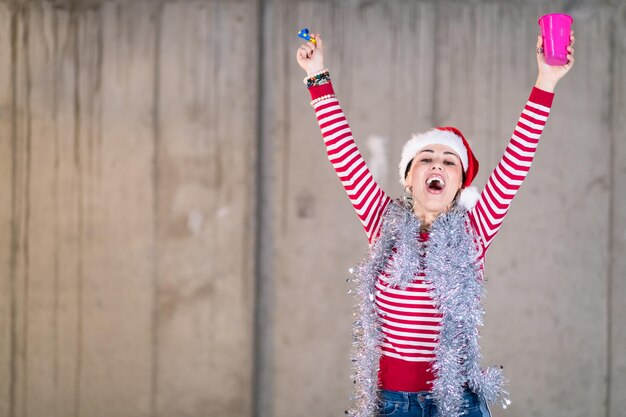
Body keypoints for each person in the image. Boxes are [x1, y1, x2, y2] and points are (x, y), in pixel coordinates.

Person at [296, 29, 574, 417]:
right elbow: (343, 154)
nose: (437, 165)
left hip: (457, 403)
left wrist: (546, 80)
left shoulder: (474, 232)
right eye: (426, 157)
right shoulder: (382, 222)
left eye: (449, 161)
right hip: (391, 403)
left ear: (460, 183)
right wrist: (317, 75)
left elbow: (517, 160)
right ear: (409, 177)